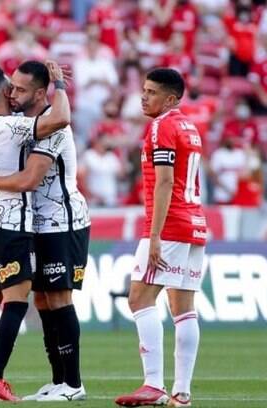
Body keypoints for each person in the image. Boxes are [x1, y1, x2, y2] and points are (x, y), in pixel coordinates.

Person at [0, 60, 90, 402]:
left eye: (22, 89)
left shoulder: (51, 127)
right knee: (42, 300)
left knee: (58, 298)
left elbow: (29, 179)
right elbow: (1, 153)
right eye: (12, 86)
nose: (14, 93)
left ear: (41, 93)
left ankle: (73, 384)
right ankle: (58, 380)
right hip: (31, 223)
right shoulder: (20, 123)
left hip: (61, 220)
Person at [114, 68, 207, 408]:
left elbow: (165, 182)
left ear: (170, 98)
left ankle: (153, 384)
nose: (143, 96)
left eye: (151, 92)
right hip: (195, 224)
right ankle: (181, 393)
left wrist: (154, 235)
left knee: (139, 298)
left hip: (170, 226)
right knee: (183, 309)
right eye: (143, 89)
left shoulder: (160, 126)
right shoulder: (189, 126)